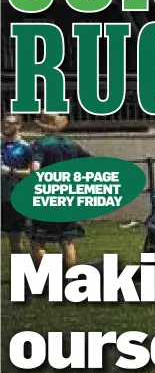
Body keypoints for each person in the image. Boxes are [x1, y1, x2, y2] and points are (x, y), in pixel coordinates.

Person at [29, 114, 89, 269]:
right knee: (67, 242)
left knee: (38, 240)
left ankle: (44, 277)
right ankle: (70, 280)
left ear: (42, 127)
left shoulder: (40, 145)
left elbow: (35, 170)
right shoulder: (73, 145)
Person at [1, 114, 33, 254]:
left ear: (18, 126)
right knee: (11, 241)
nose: (6, 125)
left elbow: (33, 172)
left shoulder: (25, 148)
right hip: (3, 198)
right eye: (4, 123)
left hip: (17, 197)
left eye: (10, 123)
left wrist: (11, 171)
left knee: (21, 239)